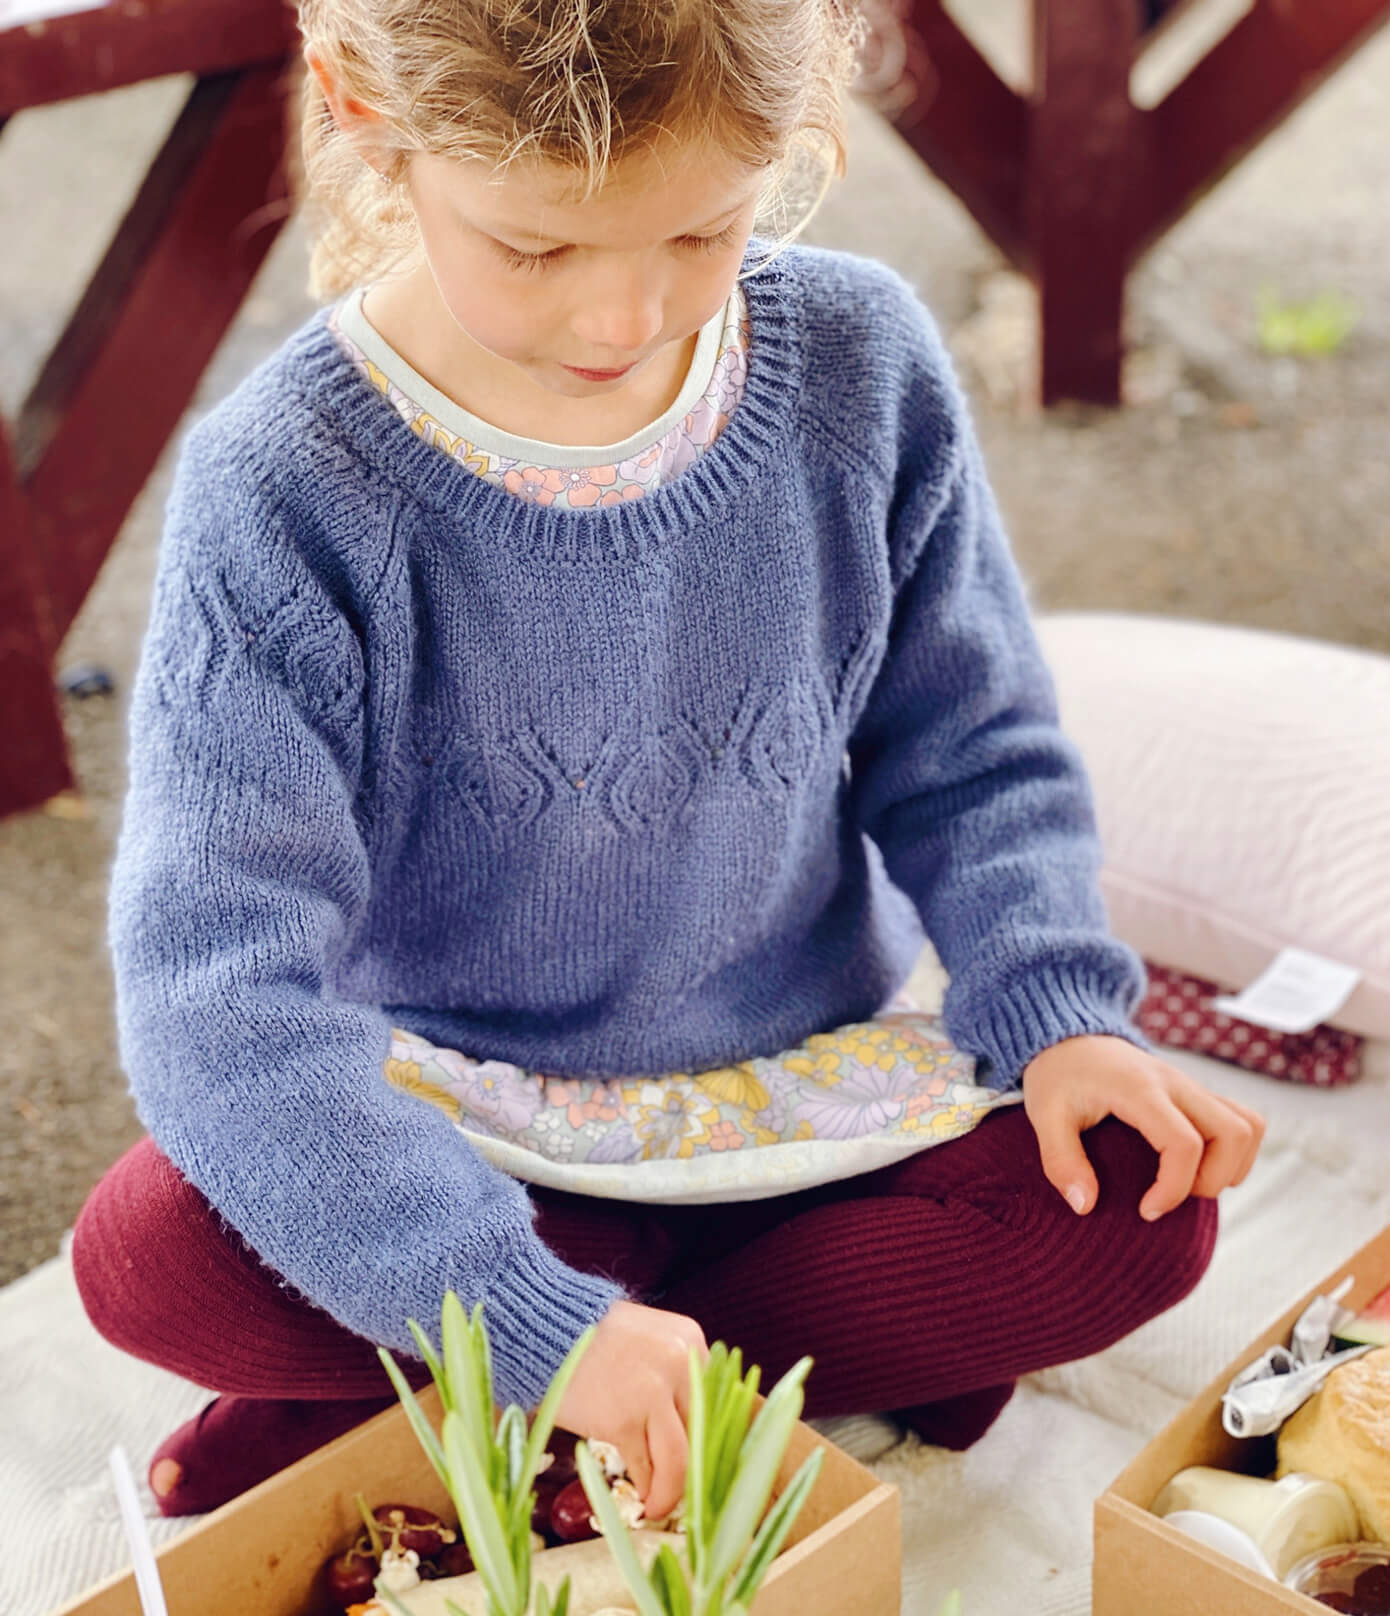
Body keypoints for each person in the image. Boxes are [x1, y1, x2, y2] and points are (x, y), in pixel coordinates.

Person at [73, 0, 1264, 1519]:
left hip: (795, 1097)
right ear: (363, 105)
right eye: (536, 249)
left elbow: (974, 749)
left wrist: (1058, 1015)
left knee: (1133, 1211)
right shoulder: (287, 485)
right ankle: (655, 1347)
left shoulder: (858, 361)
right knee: (147, 1255)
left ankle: (475, 1391)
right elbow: (214, 994)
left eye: (702, 234)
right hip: (471, 1125)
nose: (625, 320)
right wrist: (503, 1296)